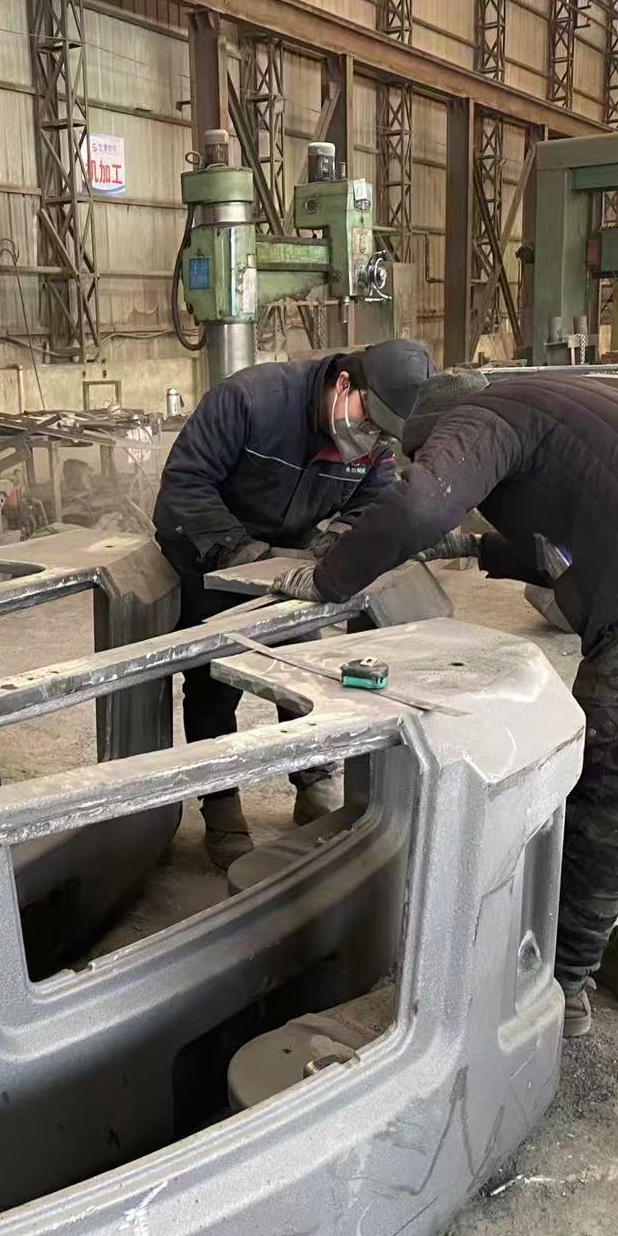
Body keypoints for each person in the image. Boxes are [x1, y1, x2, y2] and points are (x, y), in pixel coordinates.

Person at [273, 369, 618, 1037]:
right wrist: (474, 545)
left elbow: (421, 505)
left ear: (436, 431)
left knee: (611, 788)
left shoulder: (479, 414)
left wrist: (328, 579)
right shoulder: (555, 407)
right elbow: (569, 540)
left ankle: (556, 980)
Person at [153, 339, 434, 870]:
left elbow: (373, 501)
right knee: (213, 681)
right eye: (368, 419)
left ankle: (313, 780)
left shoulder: (373, 444)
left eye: (383, 431)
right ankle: (221, 803)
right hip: (210, 549)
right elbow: (184, 485)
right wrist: (240, 553)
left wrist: (336, 543)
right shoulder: (250, 401)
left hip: (289, 560)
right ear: (344, 384)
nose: (370, 437)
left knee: (303, 672)